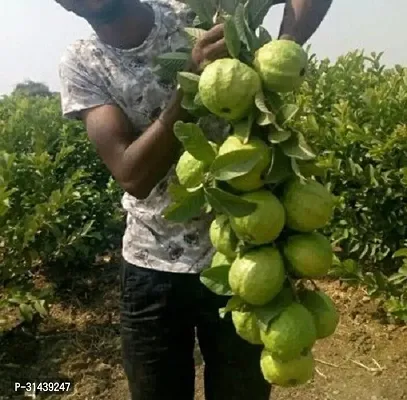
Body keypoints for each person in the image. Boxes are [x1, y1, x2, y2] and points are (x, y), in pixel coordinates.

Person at [55, 0, 333, 399]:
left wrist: (281, 51)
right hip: (151, 268)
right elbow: (132, 174)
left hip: (248, 259)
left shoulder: (194, 13)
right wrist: (192, 83)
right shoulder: (83, 62)